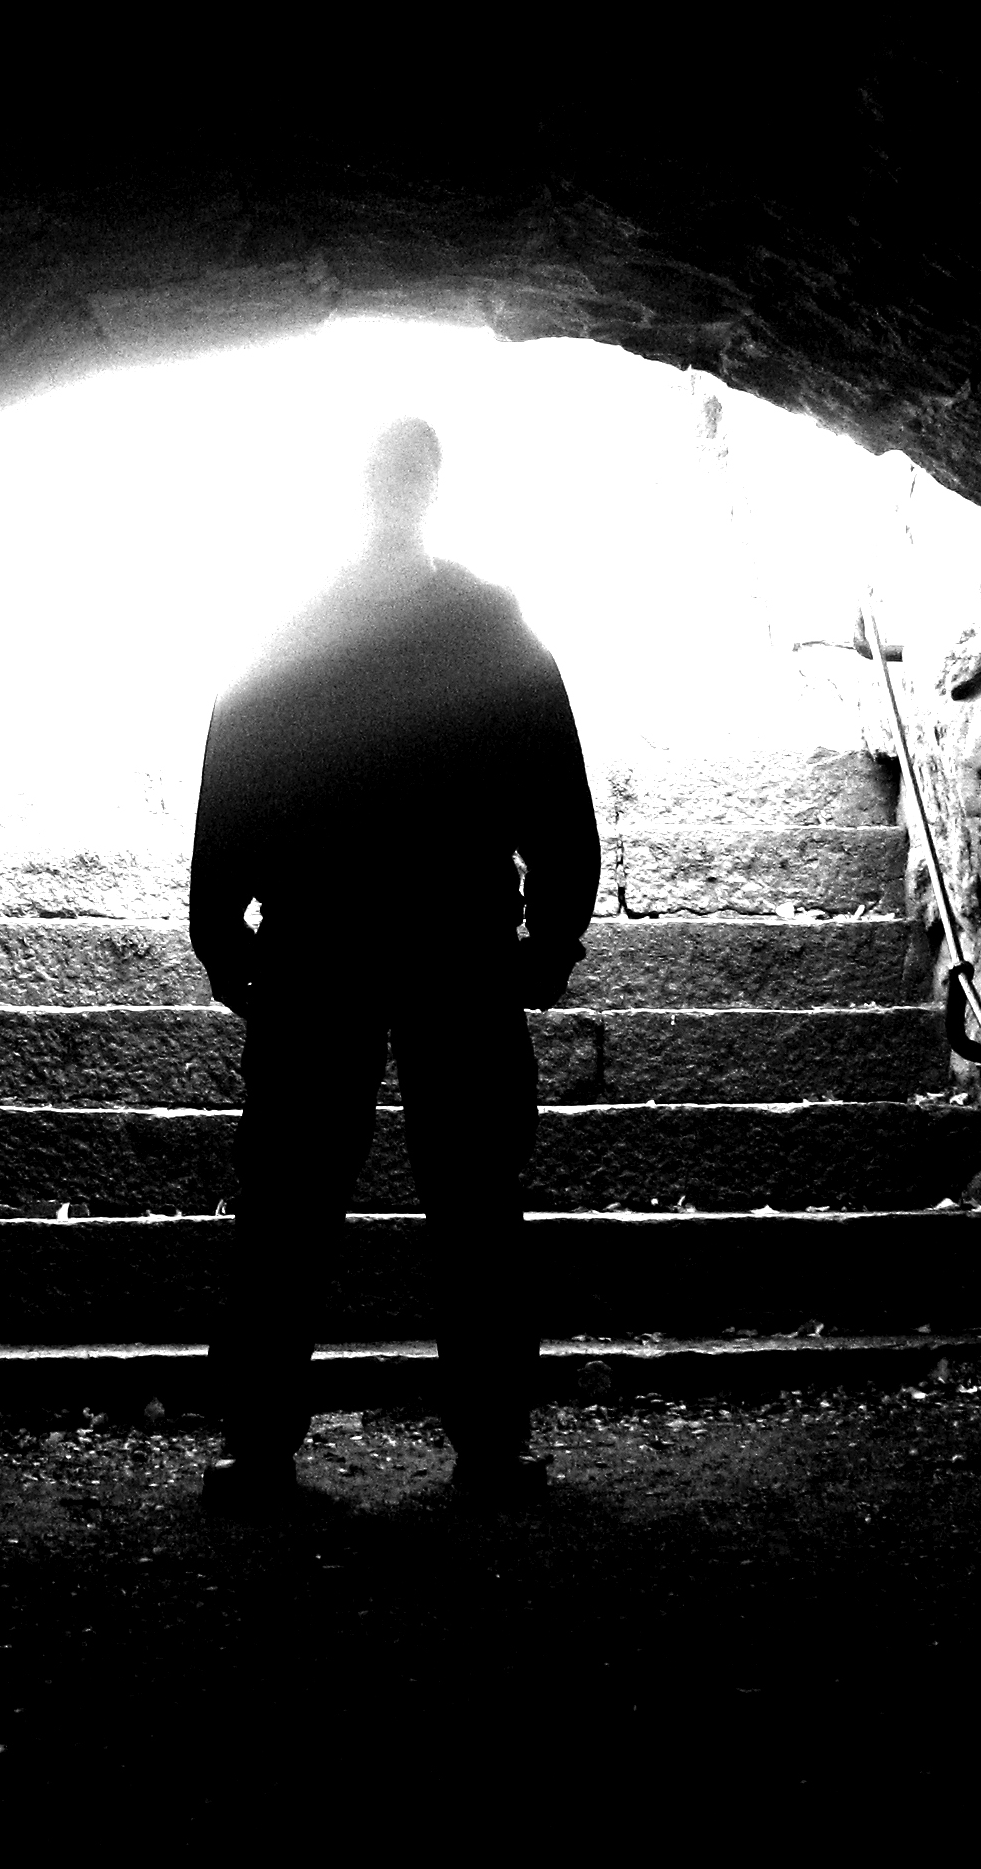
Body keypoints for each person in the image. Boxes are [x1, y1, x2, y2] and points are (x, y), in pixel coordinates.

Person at [190, 416, 599, 1509]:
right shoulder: (485, 625)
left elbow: (234, 772)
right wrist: (550, 934)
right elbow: (554, 790)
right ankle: (487, 1443)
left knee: (299, 1196)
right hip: (447, 938)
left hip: (327, 938)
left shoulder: (303, 622)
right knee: (466, 1196)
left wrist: (223, 930)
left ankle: (263, 1444)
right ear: (429, 489)